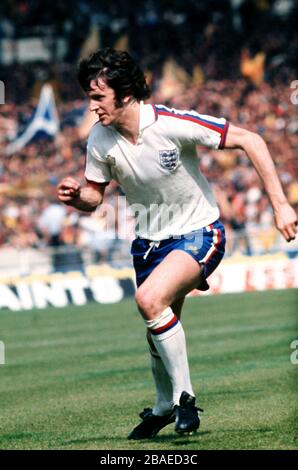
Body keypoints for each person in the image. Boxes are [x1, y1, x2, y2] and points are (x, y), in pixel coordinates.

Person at [57, 48, 297, 440]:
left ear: (125, 93)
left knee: (150, 301)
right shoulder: (99, 138)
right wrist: (75, 197)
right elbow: (94, 197)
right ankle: (163, 406)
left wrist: (281, 204)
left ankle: (185, 400)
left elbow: (251, 140)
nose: (92, 106)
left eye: (98, 96)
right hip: (149, 244)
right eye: (89, 96)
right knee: (159, 326)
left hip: (200, 232)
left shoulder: (170, 123)